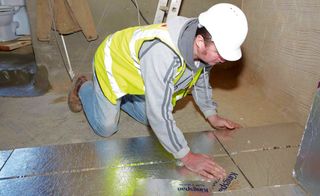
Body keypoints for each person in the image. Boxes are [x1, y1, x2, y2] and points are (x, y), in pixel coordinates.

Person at [68, 3, 248, 179]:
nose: (223, 59)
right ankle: (83, 87)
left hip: (138, 75)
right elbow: (159, 114)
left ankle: (124, 99)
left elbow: (201, 78)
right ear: (200, 42)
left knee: (148, 119)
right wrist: (187, 157)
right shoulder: (163, 54)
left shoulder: (201, 38)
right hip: (112, 66)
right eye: (220, 52)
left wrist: (212, 115)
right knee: (107, 128)